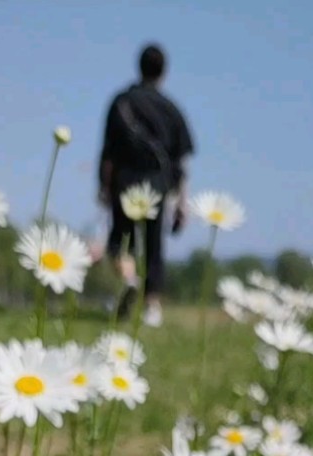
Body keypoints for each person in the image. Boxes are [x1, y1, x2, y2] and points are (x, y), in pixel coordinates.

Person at [98, 43, 195, 327]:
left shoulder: (121, 102)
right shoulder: (172, 110)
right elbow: (182, 161)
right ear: (164, 71)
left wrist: (104, 186)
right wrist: (182, 202)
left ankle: (129, 278)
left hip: (125, 181)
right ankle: (152, 307)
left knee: (118, 242)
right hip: (157, 184)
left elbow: (108, 153)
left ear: (138, 66)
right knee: (154, 245)